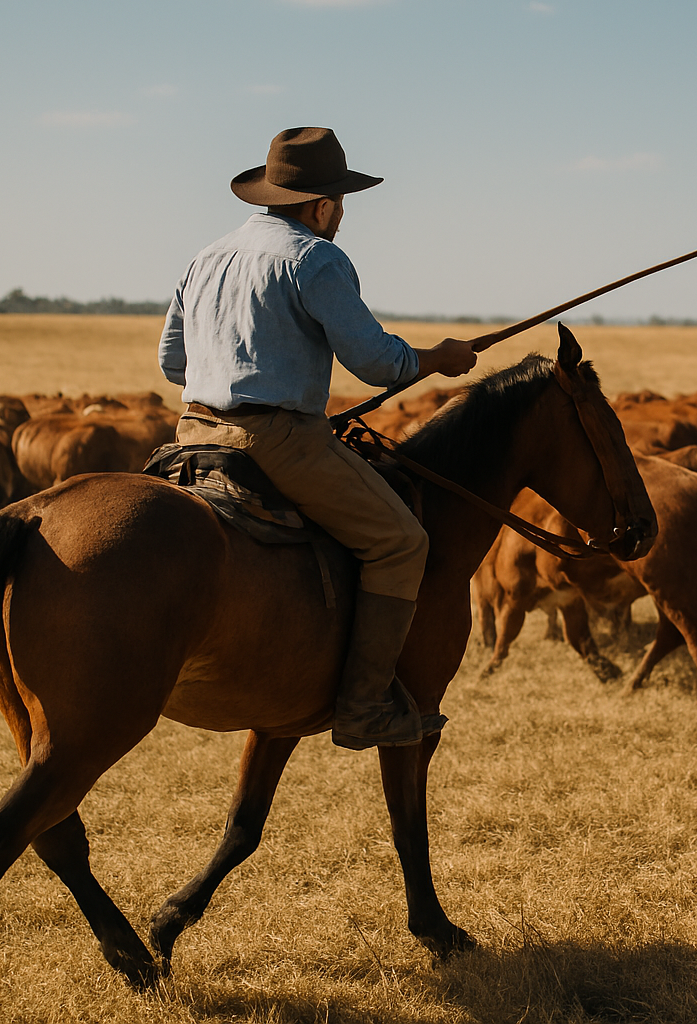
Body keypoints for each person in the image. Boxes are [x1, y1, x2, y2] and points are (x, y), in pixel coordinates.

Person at [158, 126, 478, 750]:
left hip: (192, 432)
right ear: (323, 205)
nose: (342, 215)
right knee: (400, 542)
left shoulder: (206, 256)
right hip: (276, 441)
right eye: (342, 203)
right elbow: (377, 363)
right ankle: (364, 706)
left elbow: (174, 363)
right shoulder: (315, 258)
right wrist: (437, 358)